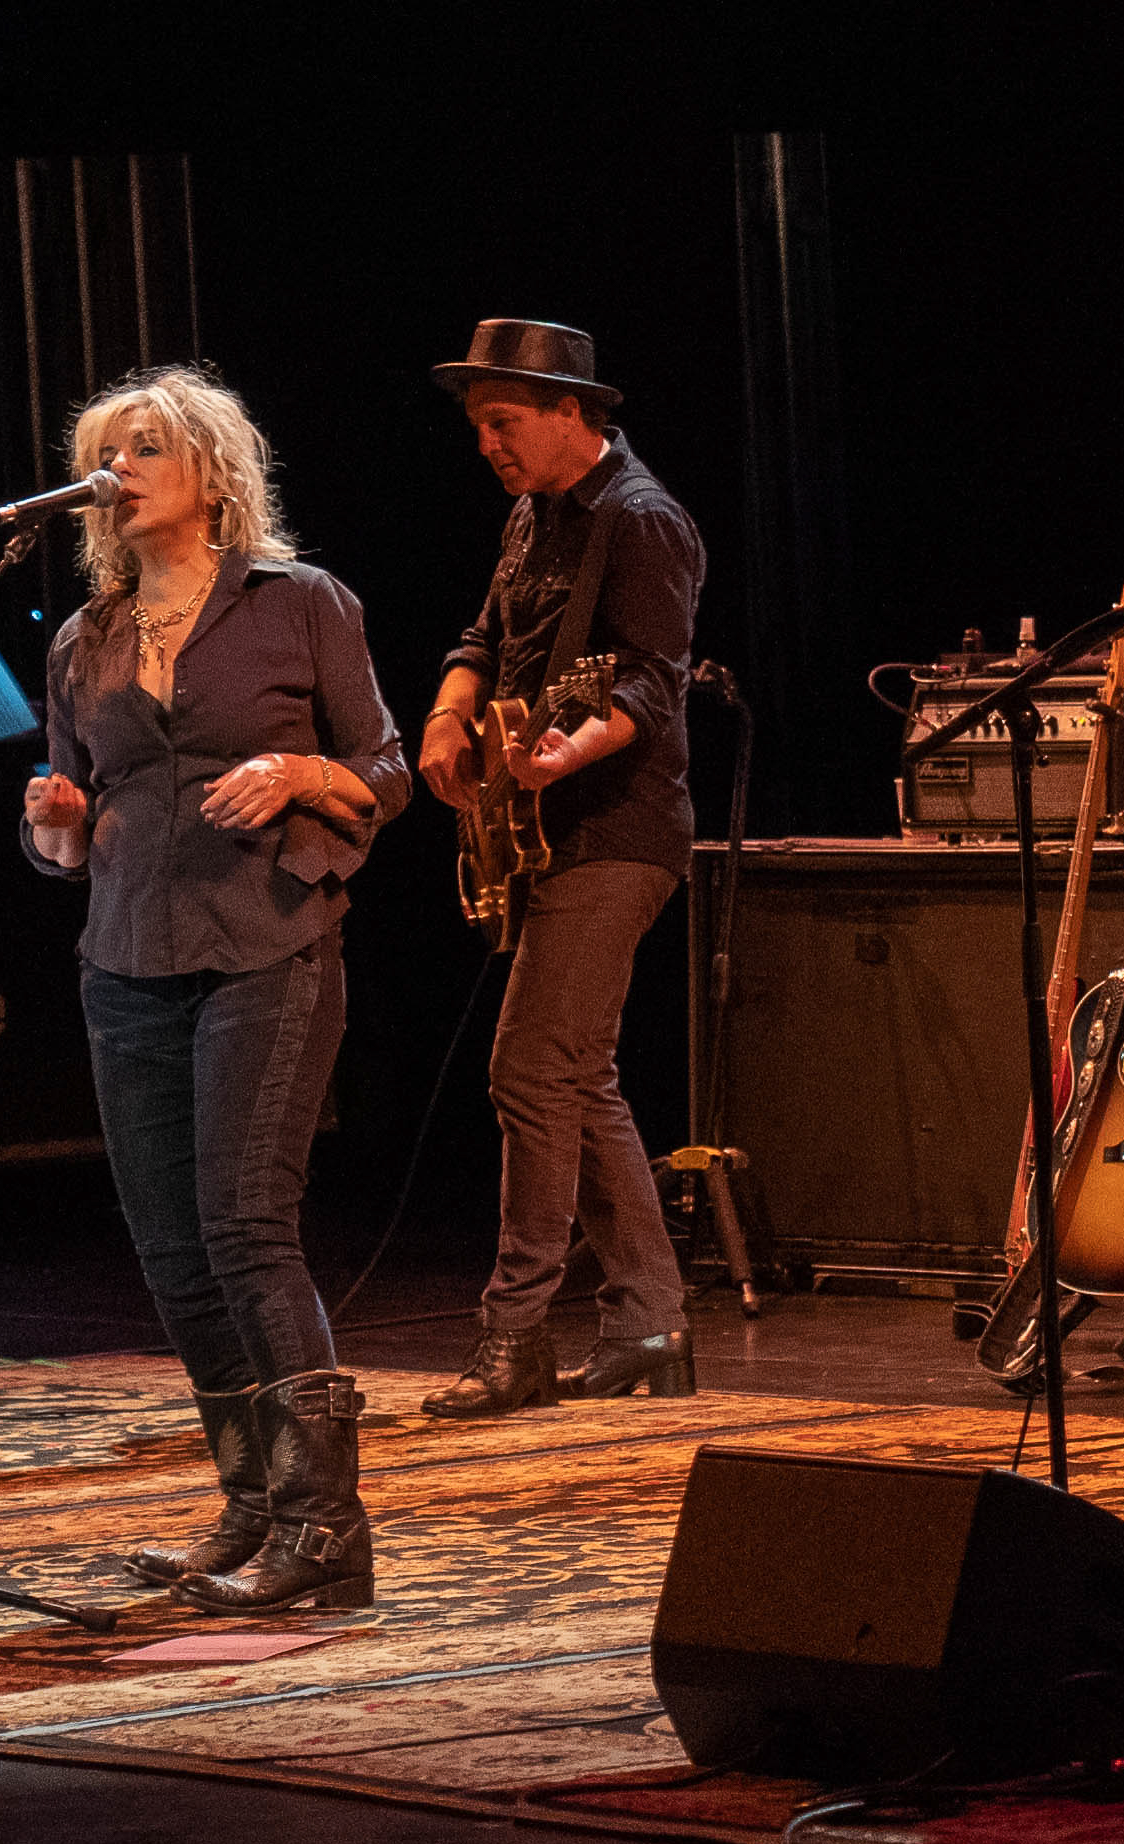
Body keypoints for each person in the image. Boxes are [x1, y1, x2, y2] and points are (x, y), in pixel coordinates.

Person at [20, 366, 410, 1613]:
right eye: (103, 456)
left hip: (266, 945)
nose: (116, 473)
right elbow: (65, 841)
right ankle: (249, 1502)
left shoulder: (299, 607)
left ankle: (324, 1522)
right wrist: (58, 824)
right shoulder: (83, 638)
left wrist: (300, 768)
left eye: (140, 450)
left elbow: (385, 772)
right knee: (172, 1249)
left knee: (245, 1227)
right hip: (126, 957)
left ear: (208, 470)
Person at [414, 320, 704, 1416]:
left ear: (575, 412)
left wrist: (574, 745)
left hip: (619, 831)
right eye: (480, 426)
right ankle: (652, 1323)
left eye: (504, 423)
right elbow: (484, 632)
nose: (487, 444)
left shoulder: (644, 519)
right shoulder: (533, 513)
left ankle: (517, 1333)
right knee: (576, 1077)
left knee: (528, 1071)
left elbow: (650, 682)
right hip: (549, 827)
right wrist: (449, 712)